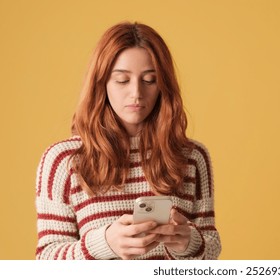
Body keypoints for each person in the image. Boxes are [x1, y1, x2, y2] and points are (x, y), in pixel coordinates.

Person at [35, 22, 221, 260]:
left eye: (150, 80)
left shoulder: (192, 157)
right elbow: (46, 260)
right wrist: (104, 243)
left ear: (163, 85)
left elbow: (212, 248)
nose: (136, 93)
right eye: (122, 80)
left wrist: (188, 243)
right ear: (101, 84)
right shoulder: (63, 160)